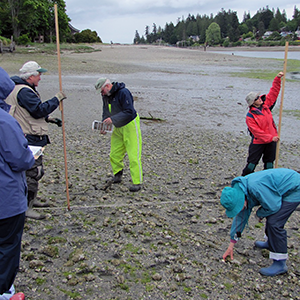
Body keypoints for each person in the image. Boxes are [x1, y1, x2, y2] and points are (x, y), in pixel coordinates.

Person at [5, 61, 66, 220]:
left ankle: (31, 199)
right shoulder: (24, 91)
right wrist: (56, 99)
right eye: (38, 74)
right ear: (30, 76)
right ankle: (26, 207)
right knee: (33, 172)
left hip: (27, 135)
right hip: (30, 137)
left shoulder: (18, 88)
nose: (40, 77)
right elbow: (38, 110)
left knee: (34, 171)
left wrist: (50, 119)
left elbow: (27, 112)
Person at [220, 168, 300, 276]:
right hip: (280, 189)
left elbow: (273, 206)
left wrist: (260, 213)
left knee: (275, 222)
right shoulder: (241, 192)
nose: (240, 209)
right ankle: (271, 243)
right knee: (271, 215)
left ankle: (280, 263)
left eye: (238, 206)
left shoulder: (255, 187)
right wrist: (232, 243)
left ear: (241, 199)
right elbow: (240, 219)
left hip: (294, 187)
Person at [0, 67, 35, 300]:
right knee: (8, 246)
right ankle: (3, 291)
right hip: (6, 200)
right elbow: (21, 159)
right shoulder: (4, 122)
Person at [95, 78, 143, 192]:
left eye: (102, 91)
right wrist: (104, 125)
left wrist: (112, 119)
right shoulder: (106, 96)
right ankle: (117, 175)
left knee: (133, 155)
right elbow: (106, 111)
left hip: (130, 124)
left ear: (107, 86)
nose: (101, 94)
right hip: (117, 125)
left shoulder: (124, 92)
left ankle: (137, 182)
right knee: (114, 153)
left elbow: (129, 111)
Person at [242, 72, 284, 176]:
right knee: (251, 165)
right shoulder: (250, 116)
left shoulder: (266, 107)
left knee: (269, 165)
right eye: (256, 98)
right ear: (253, 103)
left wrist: (277, 79)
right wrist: (270, 138)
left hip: (271, 141)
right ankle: (242, 182)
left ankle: (268, 184)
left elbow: (274, 92)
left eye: (258, 96)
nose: (259, 98)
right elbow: (256, 132)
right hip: (259, 142)